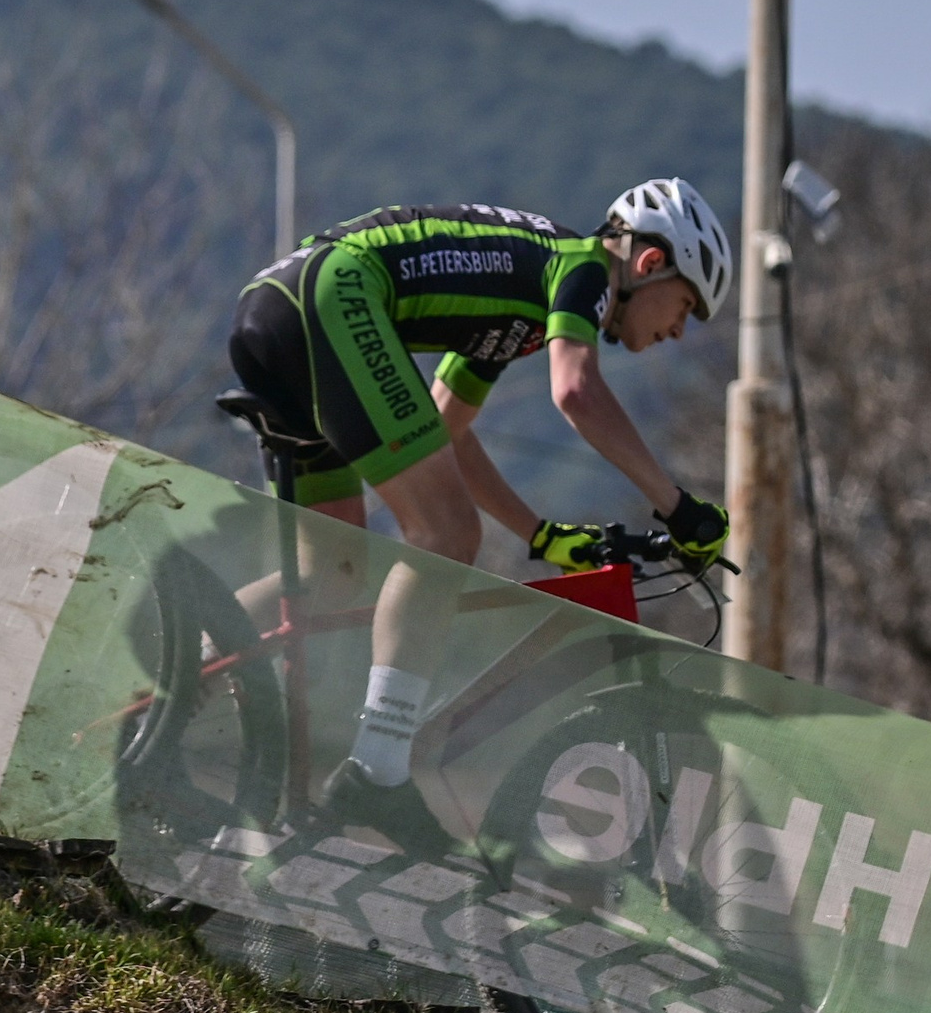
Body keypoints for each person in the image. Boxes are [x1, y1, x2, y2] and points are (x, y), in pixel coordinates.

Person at [225, 181, 734, 853]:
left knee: (333, 573)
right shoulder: (583, 268)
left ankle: (177, 673)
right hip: (332, 295)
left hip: (286, 305)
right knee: (445, 533)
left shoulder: (516, 301)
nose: (675, 330)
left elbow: (445, 431)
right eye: (686, 307)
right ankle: (378, 769)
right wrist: (678, 505)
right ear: (648, 265)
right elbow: (575, 389)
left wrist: (540, 535)